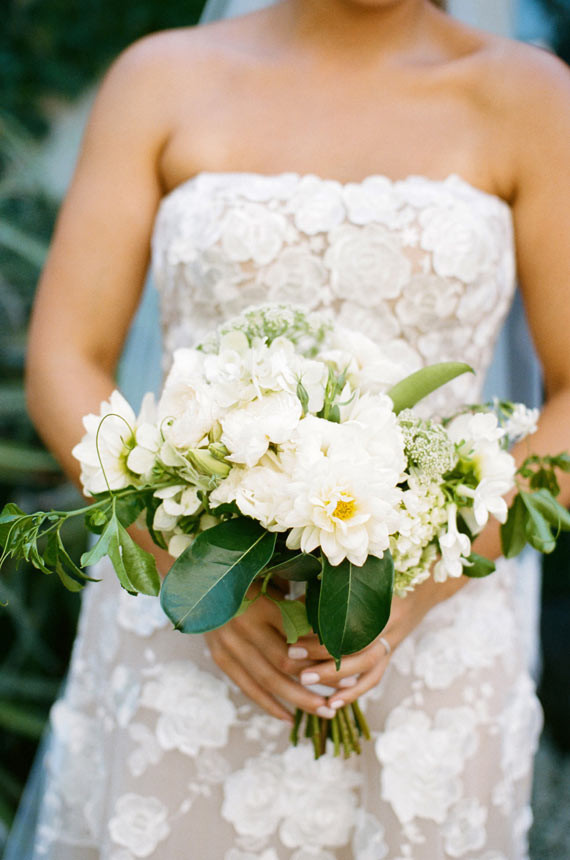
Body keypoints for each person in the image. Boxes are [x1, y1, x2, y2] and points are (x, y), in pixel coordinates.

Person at [13, 0, 570, 856]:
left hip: (430, 648)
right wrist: (193, 577)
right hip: (184, 637)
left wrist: (418, 588)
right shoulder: (159, 79)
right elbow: (65, 359)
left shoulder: (532, 98)